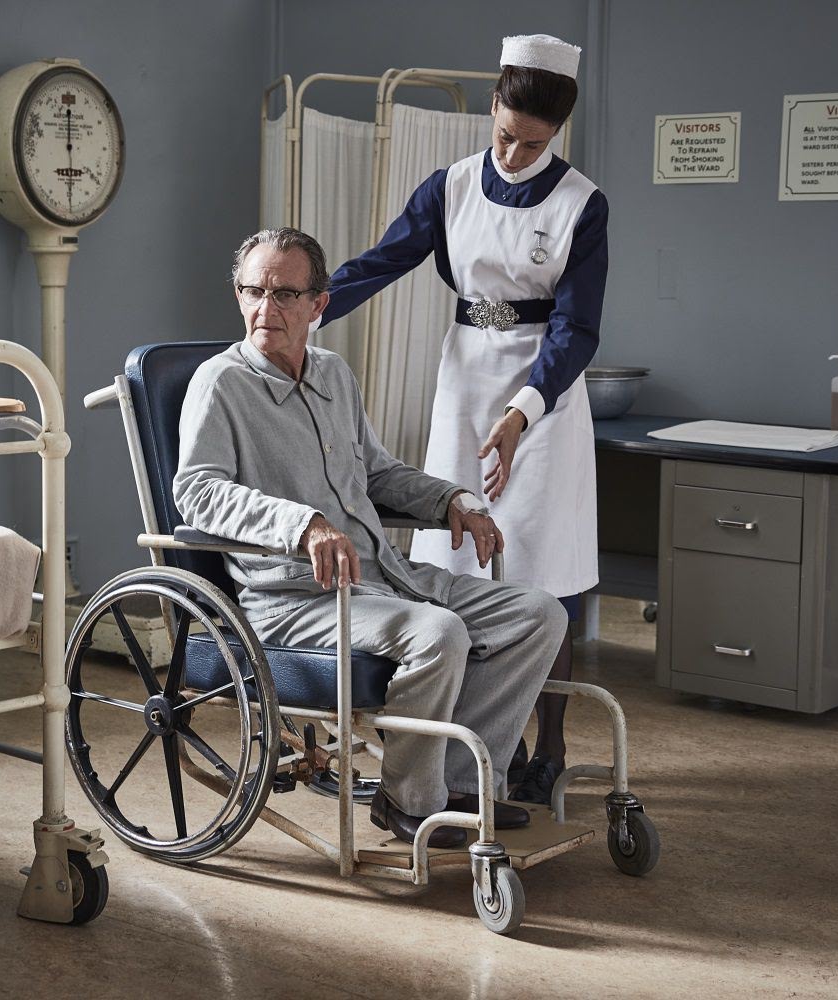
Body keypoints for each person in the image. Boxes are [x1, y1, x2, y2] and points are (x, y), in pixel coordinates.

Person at [174, 227, 568, 848]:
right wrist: (300, 523)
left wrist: (453, 499)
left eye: (284, 294)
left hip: (381, 573)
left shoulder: (334, 374)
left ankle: (462, 787)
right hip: (293, 598)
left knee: (537, 614)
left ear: (318, 304)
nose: (264, 308)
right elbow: (197, 490)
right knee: (439, 633)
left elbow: (378, 473)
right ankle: (406, 800)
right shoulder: (220, 383)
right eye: (252, 291)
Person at [316, 33, 608, 806]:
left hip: (543, 395)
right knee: (452, 564)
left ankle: (546, 749)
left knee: (542, 571)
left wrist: (521, 415)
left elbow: (576, 329)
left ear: (558, 136)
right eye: (506, 135)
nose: (514, 155)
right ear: (491, 110)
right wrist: (306, 307)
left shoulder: (582, 203)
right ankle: (465, 742)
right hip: (466, 375)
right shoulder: (450, 187)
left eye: (533, 144)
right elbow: (382, 262)